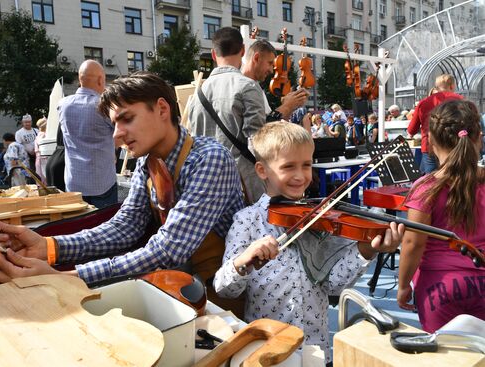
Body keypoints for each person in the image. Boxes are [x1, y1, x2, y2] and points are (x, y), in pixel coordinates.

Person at [0, 73, 245, 308]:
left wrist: (66, 278)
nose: (116, 135)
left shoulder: (209, 159)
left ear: (162, 109)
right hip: (181, 285)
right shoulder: (148, 161)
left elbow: (167, 250)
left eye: (127, 119)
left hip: (222, 294)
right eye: (114, 124)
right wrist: (49, 246)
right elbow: (125, 226)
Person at [213, 122, 404, 363]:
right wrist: (243, 261)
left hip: (315, 349)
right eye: (288, 166)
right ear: (262, 170)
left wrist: (366, 249)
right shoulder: (247, 222)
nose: (300, 176)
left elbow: (334, 285)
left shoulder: (318, 218)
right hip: (267, 349)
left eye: (306, 165)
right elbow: (224, 289)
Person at [397, 99, 485, 333]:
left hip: (439, 288)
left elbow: (413, 243)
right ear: (478, 138)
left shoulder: (426, 187)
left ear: (432, 143)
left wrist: (403, 285)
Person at [189, 27, 266, 204]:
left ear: (213, 55)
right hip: (243, 183)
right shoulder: (248, 87)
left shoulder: (197, 94)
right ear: (243, 51)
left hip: (207, 182)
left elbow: (195, 140)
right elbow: (257, 140)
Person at [59, 60, 117, 209]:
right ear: (100, 80)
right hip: (101, 182)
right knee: (104, 226)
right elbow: (120, 134)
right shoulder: (105, 106)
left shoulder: (63, 105)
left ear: (80, 79)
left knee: (78, 225)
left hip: (74, 181)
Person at [241, 39, 309, 124]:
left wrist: (291, 104)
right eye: (270, 63)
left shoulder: (254, 86)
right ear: (256, 58)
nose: (271, 71)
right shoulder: (244, 86)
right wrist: (288, 105)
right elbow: (263, 127)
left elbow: (273, 121)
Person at [407, 74, 463, 174]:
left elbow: (411, 130)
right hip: (454, 146)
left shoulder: (424, 102)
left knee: (430, 183)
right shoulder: (461, 101)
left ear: (436, 87)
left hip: (430, 147)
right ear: (452, 86)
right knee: (454, 179)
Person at [34, 117, 48, 185]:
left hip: (40, 158)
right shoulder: (43, 135)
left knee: (41, 178)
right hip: (43, 159)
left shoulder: (38, 135)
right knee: (45, 178)